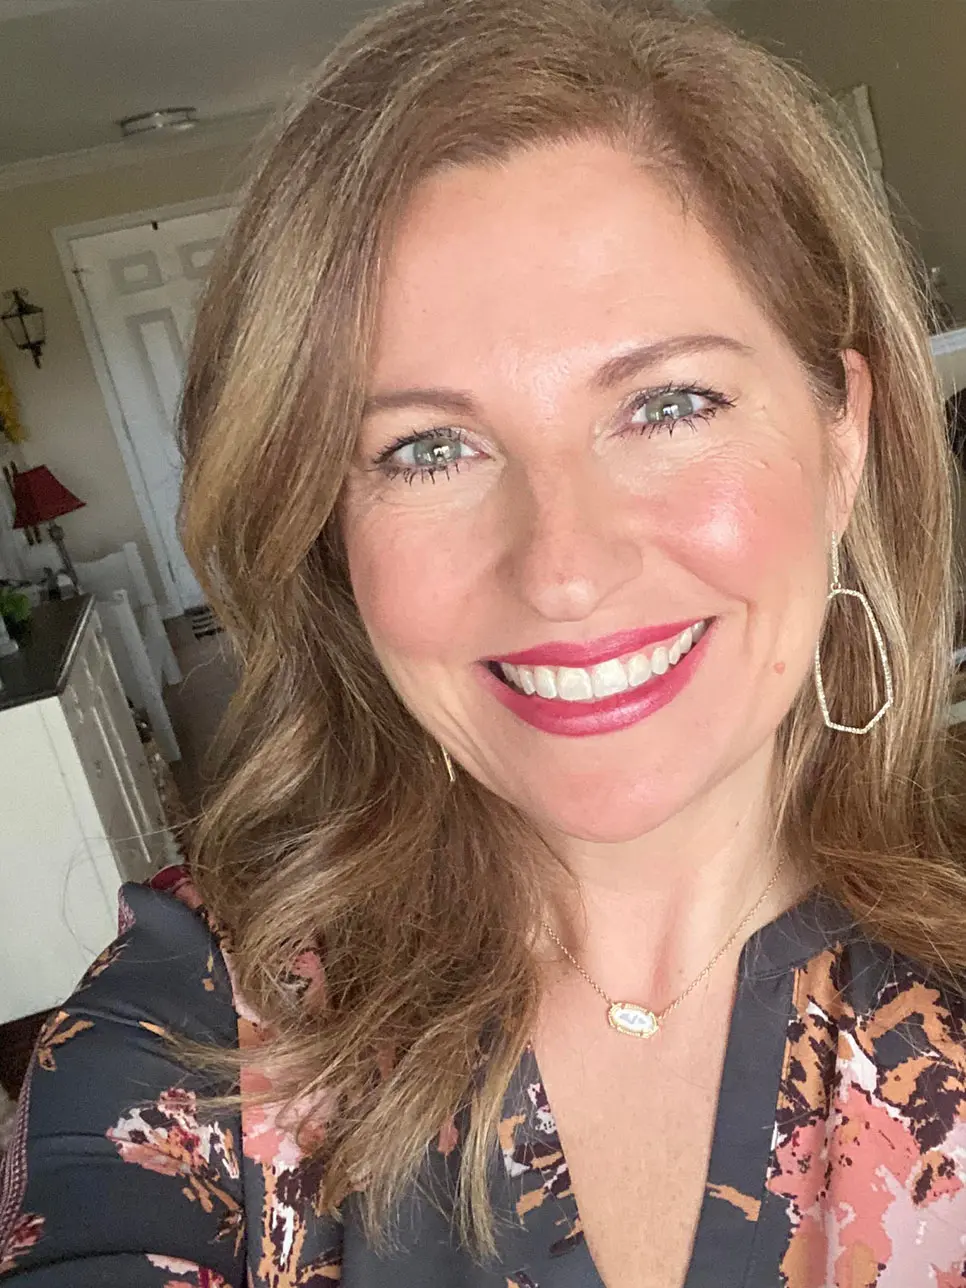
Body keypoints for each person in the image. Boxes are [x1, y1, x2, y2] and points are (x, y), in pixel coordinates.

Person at [2, 1, 966, 1284]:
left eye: (669, 403)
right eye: (427, 448)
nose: (563, 570)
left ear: (841, 439)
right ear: (326, 522)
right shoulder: (202, 1024)